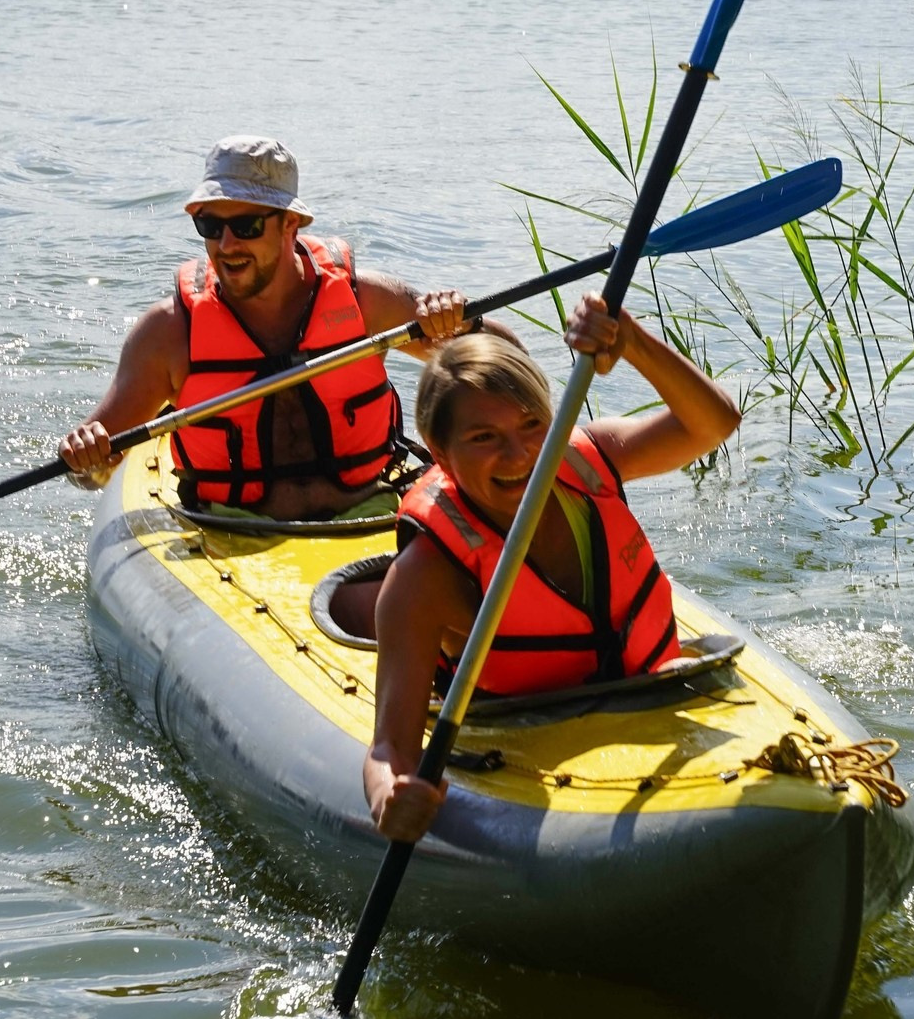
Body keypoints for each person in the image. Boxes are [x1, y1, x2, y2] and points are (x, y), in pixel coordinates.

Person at [363, 293, 742, 842]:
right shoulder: (425, 576)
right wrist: (388, 794)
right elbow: (389, 748)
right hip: (524, 741)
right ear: (439, 451)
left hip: (653, 701)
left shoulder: (589, 459)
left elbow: (714, 423)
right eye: (483, 438)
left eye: (532, 424)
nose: (519, 456)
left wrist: (631, 341)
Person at [58, 137, 511, 521]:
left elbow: (511, 366)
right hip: (230, 528)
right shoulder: (169, 333)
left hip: (369, 510)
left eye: (246, 225)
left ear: (291, 224)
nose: (226, 244)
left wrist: (460, 321)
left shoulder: (365, 300)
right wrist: (88, 456)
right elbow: (91, 477)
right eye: (210, 225)